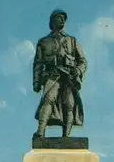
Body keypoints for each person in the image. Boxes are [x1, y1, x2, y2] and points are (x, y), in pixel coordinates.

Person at [33, 9, 87, 138]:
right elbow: (38, 64)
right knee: (48, 100)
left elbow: (83, 61)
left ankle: (66, 137)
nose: (62, 20)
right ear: (52, 21)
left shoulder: (72, 41)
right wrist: (36, 82)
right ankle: (40, 132)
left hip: (69, 77)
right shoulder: (43, 42)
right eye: (59, 17)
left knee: (69, 105)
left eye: (64, 18)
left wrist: (78, 70)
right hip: (52, 75)